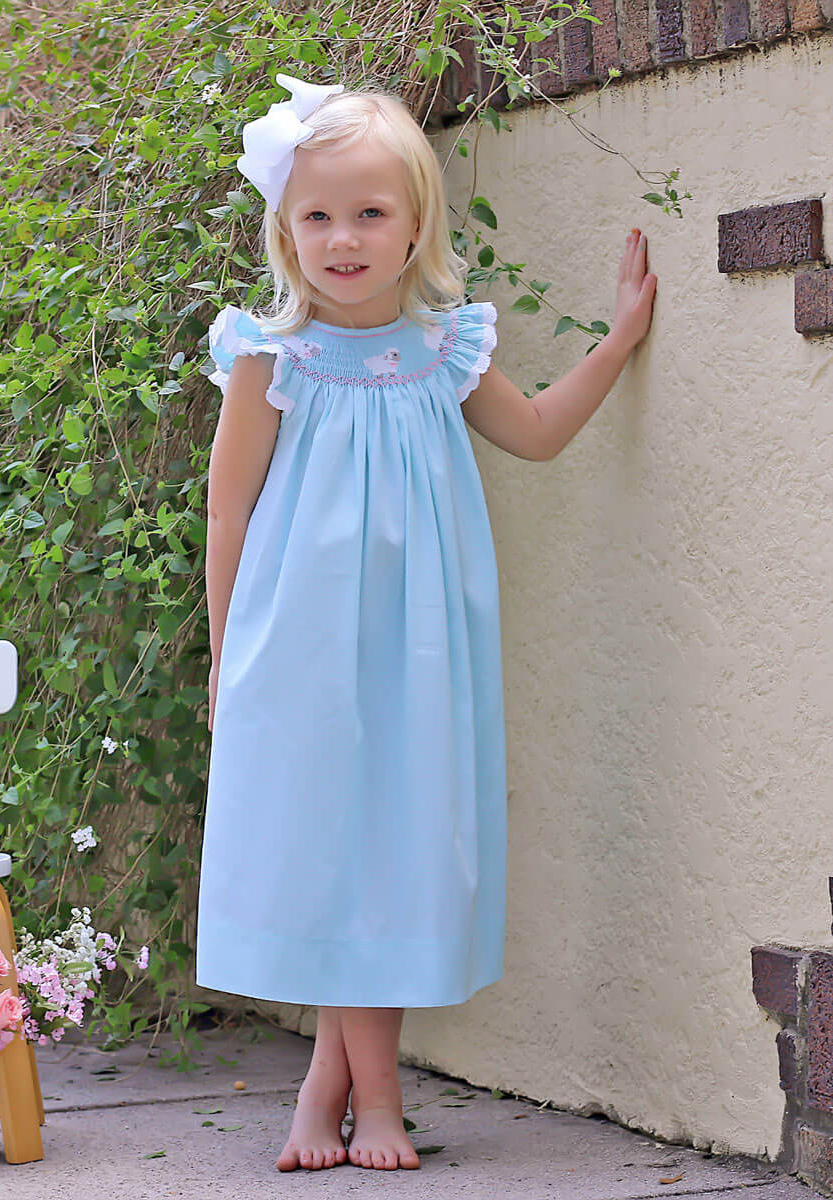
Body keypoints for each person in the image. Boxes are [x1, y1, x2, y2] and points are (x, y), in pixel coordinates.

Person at [195, 72, 657, 1173]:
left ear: (415, 228)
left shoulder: (445, 348)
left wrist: (621, 338)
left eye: (370, 214)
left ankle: (325, 1092)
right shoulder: (271, 357)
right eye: (317, 215)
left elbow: (538, 433)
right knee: (332, 850)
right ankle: (379, 1103)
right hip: (301, 646)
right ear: (283, 229)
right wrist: (225, 658)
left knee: (393, 856)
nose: (342, 238)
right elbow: (228, 509)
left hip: (420, 650)